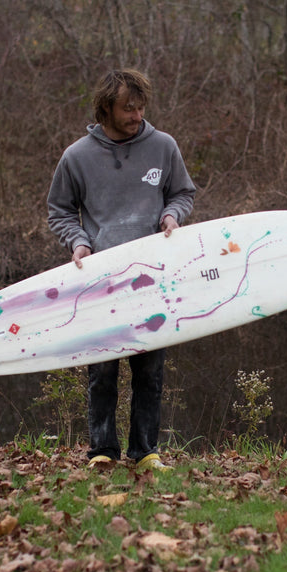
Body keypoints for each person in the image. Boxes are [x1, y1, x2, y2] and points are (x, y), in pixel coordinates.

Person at [47, 69, 196, 471]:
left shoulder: (163, 146)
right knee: (102, 373)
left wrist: (171, 215)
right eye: (127, 108)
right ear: (106, 108)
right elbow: (59, 210)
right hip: (101, 281)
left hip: (153, 278)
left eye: (140, 106)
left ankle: (145, 451)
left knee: (150, 372)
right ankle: (102, 451)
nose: (136, 115)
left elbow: (182, 193)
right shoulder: (77, 156)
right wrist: (78, 241)